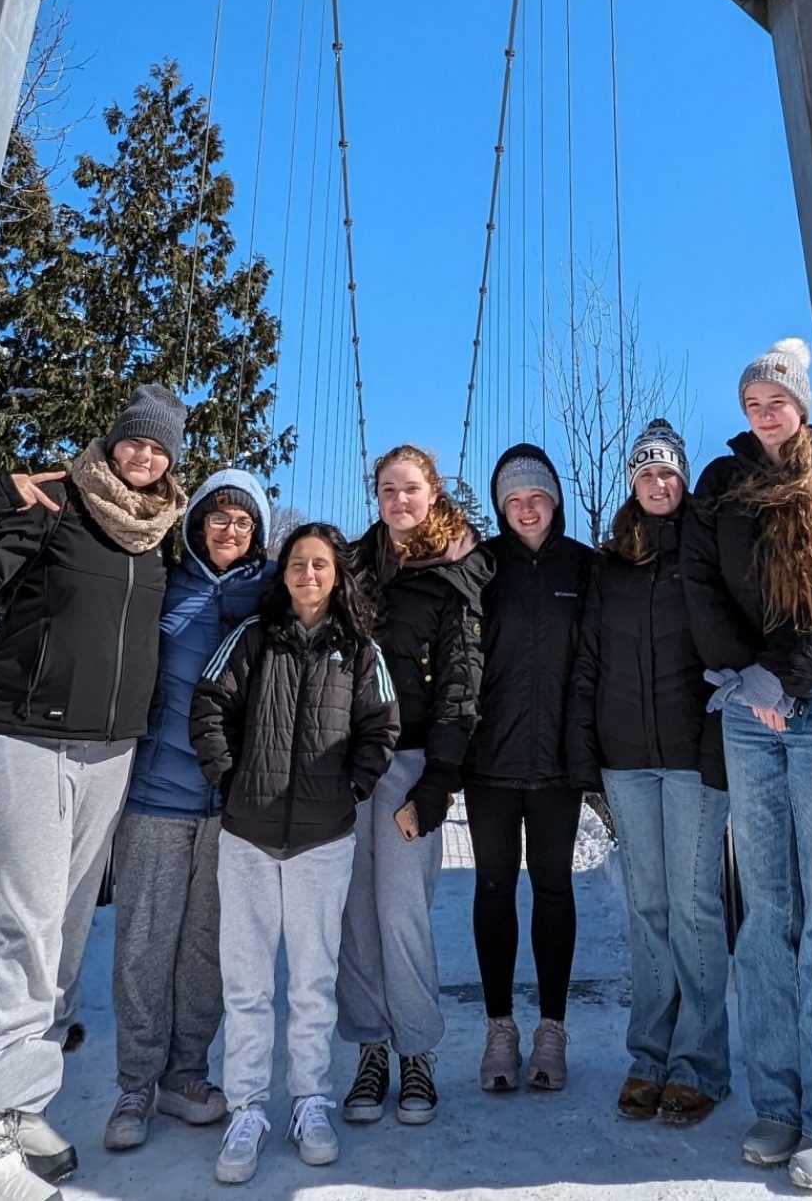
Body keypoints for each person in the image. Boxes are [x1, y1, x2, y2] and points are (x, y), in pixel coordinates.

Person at [0, 383, 189, 1201]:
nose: (143, 458)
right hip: (20, 738)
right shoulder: (54, 509)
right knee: (20, 934)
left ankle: (18, 1102)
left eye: (159, 449)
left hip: (108, 752)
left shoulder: (157, 541)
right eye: (133, 443)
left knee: (65, 938)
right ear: (112, 443)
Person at [680, 339, 812, 1195]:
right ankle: (778, 1100)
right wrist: (745, 675)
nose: (764, 415)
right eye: (752, 402)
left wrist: (787, 675)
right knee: (766, 910)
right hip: (746, 709)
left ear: (800, 405)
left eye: (777, 401)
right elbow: (700, 583)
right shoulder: (721, 486)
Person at [189, 522, 399, 1184]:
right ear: (283, 574)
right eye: (298, 564)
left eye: (320, 565)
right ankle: (246, 1108)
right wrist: (228, 778)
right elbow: (208, 704)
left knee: (312, 984)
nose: (308, 574)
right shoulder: (252, 639)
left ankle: (309, 1101)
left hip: (323, 839)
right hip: (248, 836)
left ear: (338, 576)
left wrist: (354, 787)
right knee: (247, 985)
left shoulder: (361, 650)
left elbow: (383, 725)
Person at [103, 469, 279, 1153]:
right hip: (156, 794)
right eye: (218, 517)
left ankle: (186, 1074)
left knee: (207, 946)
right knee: (145, 942)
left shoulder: (270, 599)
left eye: (244, 522)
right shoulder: (159, 585)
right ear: (195, 522)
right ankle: (135, 1083)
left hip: (227, 803)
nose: (230, 530)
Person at [566, 418, 730, 1127]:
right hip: (627, 758)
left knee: (695, 908)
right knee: (647, 908)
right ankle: (648, 1056)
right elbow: (589, 662)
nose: (659, 484)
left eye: (668, 472)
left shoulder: (709, 547)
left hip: (694, 757)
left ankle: (698, 1063)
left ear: (683, 478)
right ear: (631, 484)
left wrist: (723, 744)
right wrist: (585, 748)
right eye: (646, 473)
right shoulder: (612, 566)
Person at [336, 445, 491, 1129]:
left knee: (401, 916)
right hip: (345, 763)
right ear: (376, 497)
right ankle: (371, 1049)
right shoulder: (350, 568)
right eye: (387, 489)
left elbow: (462, 684)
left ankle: (417, 1053)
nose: (399, 500)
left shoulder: (452, 575)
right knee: (355, 916)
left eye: (411, 489)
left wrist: (437, 784)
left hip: (409, 765)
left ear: (432, 494)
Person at [465, 444, 594, 1096]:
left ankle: (551, 1029)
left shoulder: (584, 567)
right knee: (493, 890)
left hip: (557, 766)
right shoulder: (480, 566)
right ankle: (499, 1029)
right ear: (500, 507)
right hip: (489, 764)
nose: (526, 508)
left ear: (555, 501)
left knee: (551, 888)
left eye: (536, 496)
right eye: (513, 499)